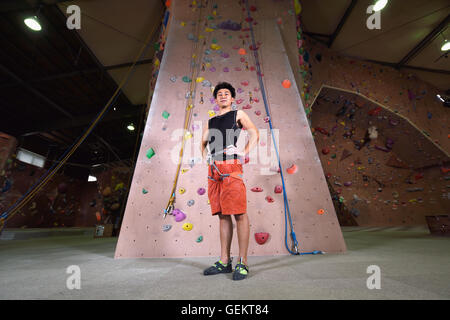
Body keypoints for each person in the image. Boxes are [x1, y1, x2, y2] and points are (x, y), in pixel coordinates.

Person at [200, 82, 259, 280]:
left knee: (239, 214)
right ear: (215, 99)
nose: (223, 96)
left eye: (226, 93)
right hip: (214, 170)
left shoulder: (238, 115)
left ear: (232, 98)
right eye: (219, 94)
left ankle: (243, 263)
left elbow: (255, 133)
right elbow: (203, 143)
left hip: (231, 168)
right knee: (222, 216)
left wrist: (242, 152)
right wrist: (205, 158)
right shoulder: (211, 121)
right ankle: (225, 262)